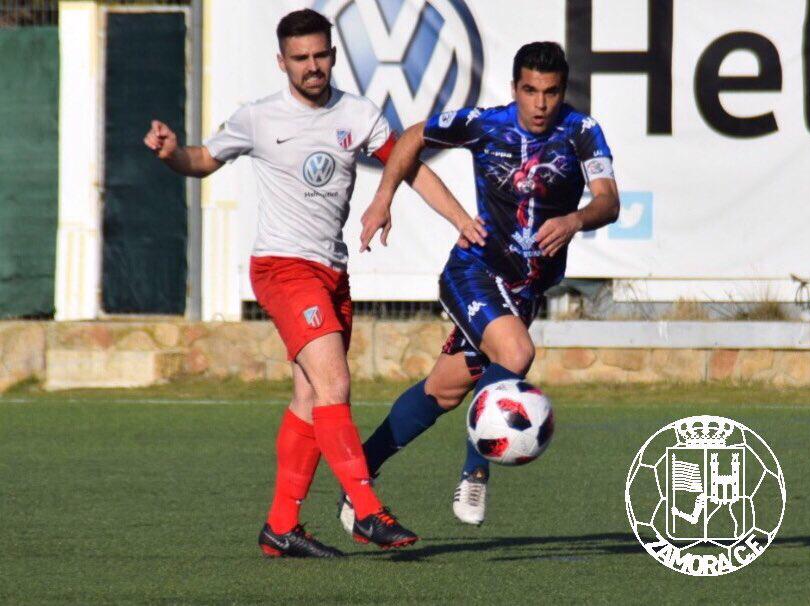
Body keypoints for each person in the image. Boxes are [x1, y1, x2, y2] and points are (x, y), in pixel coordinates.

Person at [144, 9, 472, 557]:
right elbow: (202, 159)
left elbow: (408, 164)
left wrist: (461, 221)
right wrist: (172, 153)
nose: (312, 66)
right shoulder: (259, 117)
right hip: (282, 267)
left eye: (320, 55)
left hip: (331, 272)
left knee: (309, 396)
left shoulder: (358, 114)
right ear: (282, 62)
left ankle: (281, 527)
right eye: (300, 58)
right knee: (334, 384)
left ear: (334, 56)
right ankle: (366, 510)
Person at [339, 41, 620, 529]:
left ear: (562, 92)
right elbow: (413, 136)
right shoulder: (485, 123)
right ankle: (475, 472)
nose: (540, 103)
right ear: (514, 88)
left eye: (551, 92)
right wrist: (384, 198)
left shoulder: (581, 132)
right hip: (473, 271)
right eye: (530, 90)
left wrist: (575, 220)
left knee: (443, 391)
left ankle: (358, 478)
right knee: (516, 352)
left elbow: (609, 201)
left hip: (524, 291)